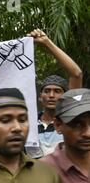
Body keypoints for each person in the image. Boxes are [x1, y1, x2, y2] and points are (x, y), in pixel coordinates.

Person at [26, 29, 83, 158]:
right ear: (40, 97)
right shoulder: (28, 123)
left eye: (57, 91)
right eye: (47, 91)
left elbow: (76, 74)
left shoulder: (69, 120)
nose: (51, 95)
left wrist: (46, 42)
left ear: (65, 96)